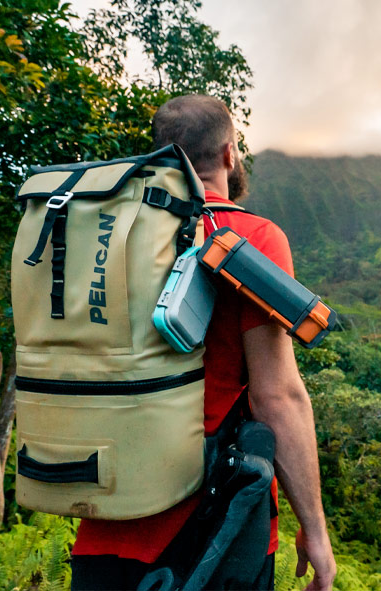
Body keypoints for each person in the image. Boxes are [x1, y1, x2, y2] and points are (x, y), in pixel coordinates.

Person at [69, 95, 337, 591]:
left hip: (105, 515)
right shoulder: (250, 236)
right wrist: (315, 532)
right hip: (214, 530)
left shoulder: (106, 235)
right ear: (229, 154)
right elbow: (275, 396)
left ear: (163, 154)